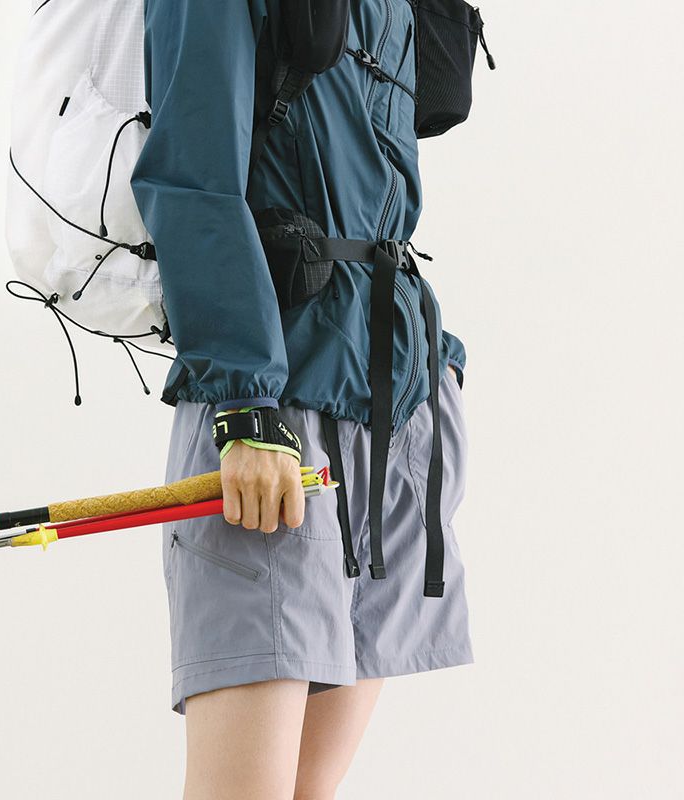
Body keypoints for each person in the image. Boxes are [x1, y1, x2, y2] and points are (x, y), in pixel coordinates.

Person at [131, 2, 473, 797]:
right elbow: (192, 178)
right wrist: (245, 406)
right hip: (272, 415)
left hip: (399, 406)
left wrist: (440, 371)